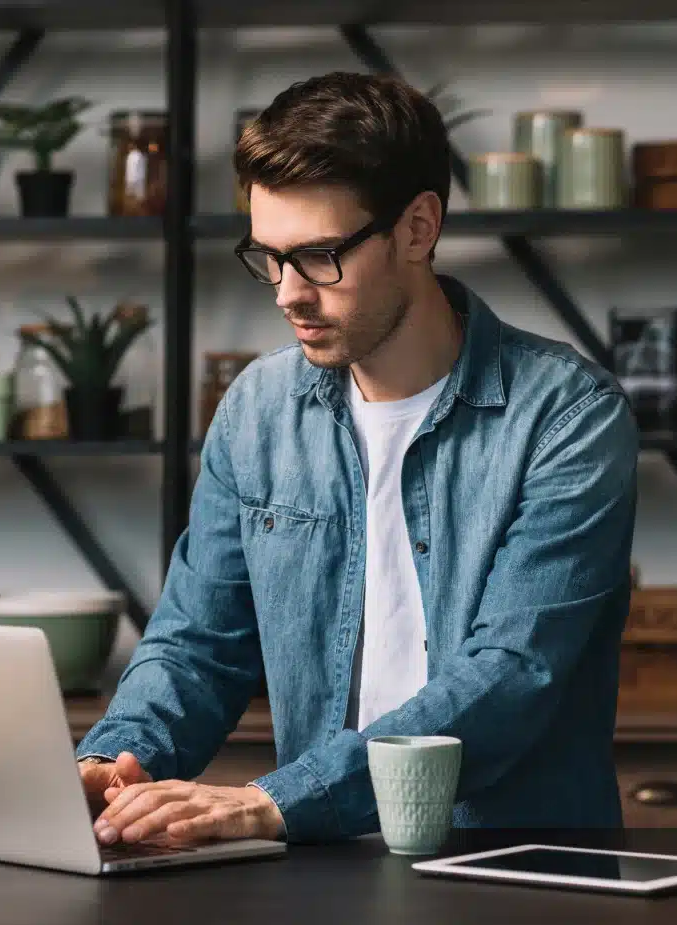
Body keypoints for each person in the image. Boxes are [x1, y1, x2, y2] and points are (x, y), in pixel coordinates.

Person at [76, 71, 639, 847]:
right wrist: (112, 764)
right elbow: (196, 644)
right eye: (267, 257)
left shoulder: (567, 417)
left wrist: (275, 801)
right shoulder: (257, 412)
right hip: (323, 866)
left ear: (417, 228)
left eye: (317, 257)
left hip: (513, 868)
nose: (286, 294)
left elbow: (512, 676)